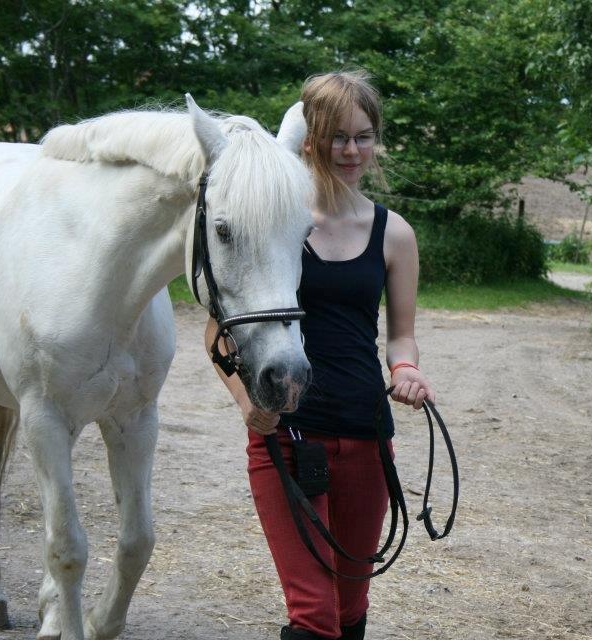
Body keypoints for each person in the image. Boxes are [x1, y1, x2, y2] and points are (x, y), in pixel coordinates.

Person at [205, 70, 435, 640]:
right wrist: (246, 404)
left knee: (350, 609)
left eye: (363, 135)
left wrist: (405, 370)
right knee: (314, 617)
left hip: (366, 434)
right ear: (310, 140)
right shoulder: (273, 222)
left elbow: (400, 336)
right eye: (337, 136)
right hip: (288, 437)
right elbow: (216, 328)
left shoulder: (394, 234)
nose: (352, 150)